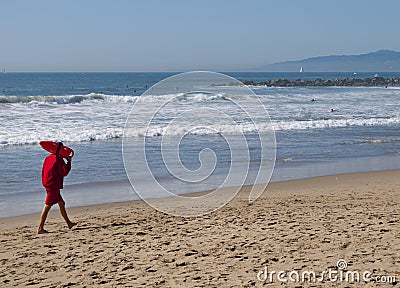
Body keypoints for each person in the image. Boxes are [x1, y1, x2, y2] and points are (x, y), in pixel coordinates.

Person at [38, 142, 77, 234]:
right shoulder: (58, 159)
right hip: (53, 185)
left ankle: (69, 223)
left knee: (61, 203)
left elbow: (44, 171)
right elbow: (64, 173)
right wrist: (69, 162)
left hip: (47, 183)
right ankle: (40, 228)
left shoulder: (48, 158)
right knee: (47, 206)